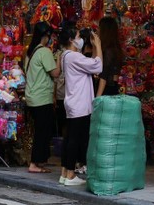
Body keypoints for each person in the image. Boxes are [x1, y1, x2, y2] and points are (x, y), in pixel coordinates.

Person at [58, 24, 102, 186]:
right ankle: (70, 174)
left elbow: (91, 65)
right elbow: (98, 66)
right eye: (78, 37)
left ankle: (64, 172)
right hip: (79, 103)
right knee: (75, 140)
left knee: (70, 138)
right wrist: (97, 45)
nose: (80, 40)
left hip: (73, 101)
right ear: (71, 40)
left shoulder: (66, 56)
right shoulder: (73, 57)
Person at [24, 21, 60, 174]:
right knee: (42, 132)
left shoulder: (30, 52)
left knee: (40, 130)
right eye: (49, 36)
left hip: (32, 97)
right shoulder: (44, 52)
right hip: (42, 98)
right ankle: (34, 164)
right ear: (45, 36)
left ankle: (38, 161)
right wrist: (59, 57)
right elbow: (55, 73)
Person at [96, 16, 124, 97]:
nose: (97, 30)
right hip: (111, 87)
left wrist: (98, 98)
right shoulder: (114, 48)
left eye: (99, 28)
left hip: (106, 89)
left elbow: (104, 76)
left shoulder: (108, 50)